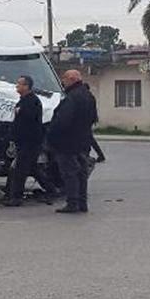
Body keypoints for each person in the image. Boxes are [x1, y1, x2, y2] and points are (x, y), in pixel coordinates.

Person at [48, 70, 98, 214]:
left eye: (63, 78)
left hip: (68, 142)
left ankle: (72, 203)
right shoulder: (88, 95)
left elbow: (62, 121)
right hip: (83, 140)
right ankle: (82, 203)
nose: (62, 82)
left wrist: (52, 135)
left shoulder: (72, 97)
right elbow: (94, 118)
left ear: (71, 79)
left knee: (69, 173)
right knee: (81, 172)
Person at [4, 76, 47, 206]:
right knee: (33, 168)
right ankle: (52, 189)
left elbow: (28, 122)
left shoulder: (31, 101)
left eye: (19, 84)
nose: (17, 86)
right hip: (24, 142)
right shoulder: (22, 101)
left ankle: (16, 197)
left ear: (26, 86)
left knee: (20, 170)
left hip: (29, 142)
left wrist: (19, 112)